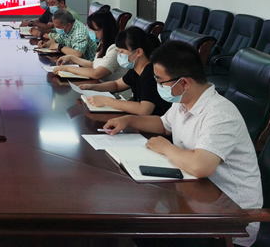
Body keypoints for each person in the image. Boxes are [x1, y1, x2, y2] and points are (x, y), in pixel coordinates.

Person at [104, 41, 262, 247]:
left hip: (229, 223)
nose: (158, 85)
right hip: (195, 201)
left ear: (184, 83)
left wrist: (165, 147)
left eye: (160, 81)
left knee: (139, 225)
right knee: (136, 217)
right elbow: (163, 124)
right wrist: (128, 120)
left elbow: (200, 166)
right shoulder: (184, 102)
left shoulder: (220, 114)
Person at [79, 27, 170, 116]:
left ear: (138, 52)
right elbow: (116, 85)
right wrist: (93, 87)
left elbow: (144, 109)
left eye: (122, 52)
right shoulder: (135, 70)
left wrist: (107, 101)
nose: (119, 55)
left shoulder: (151, 73)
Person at [53, 9, 124, 81]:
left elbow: (96, 74)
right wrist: (71, 58)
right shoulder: (102, 44)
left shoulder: (115, 49)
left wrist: (67, 68)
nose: (90, 31)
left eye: (93, 29)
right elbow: (93, 65)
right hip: (99, 83)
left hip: (108, 87)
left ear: (105, 29)